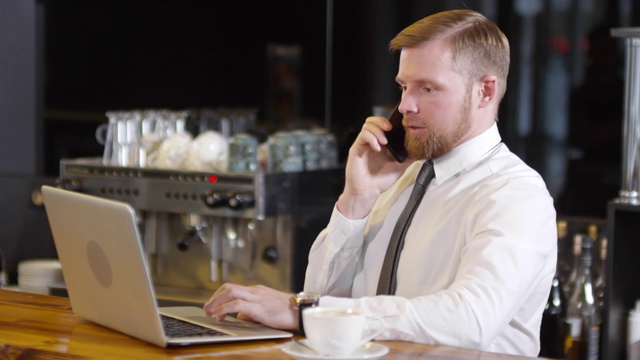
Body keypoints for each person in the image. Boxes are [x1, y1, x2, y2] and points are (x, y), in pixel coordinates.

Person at [204, 8, 556, 357]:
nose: (405, 105)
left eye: (427, 88)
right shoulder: (396, 177)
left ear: (485, 91)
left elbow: (469, 321)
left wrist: (304, 311)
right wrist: (357, 200)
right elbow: (323, 298)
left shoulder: (515, 195)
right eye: (403, 86)